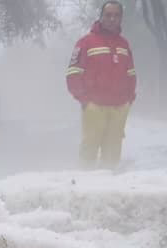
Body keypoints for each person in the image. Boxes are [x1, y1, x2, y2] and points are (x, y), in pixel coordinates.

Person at [66, 1, 137, 170]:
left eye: (116, 15)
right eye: (108, 15)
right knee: (89, 149)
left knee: (113, 154)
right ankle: (84, 188)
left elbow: (131, 74)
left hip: (119, 108)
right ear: (101, 17)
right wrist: (84, 100)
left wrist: (129, 99)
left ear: (121, 18)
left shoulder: (124, 44)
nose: (112, 19)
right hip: (94, 107)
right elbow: (73, 74)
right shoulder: (86, 43)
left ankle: (109, 190)